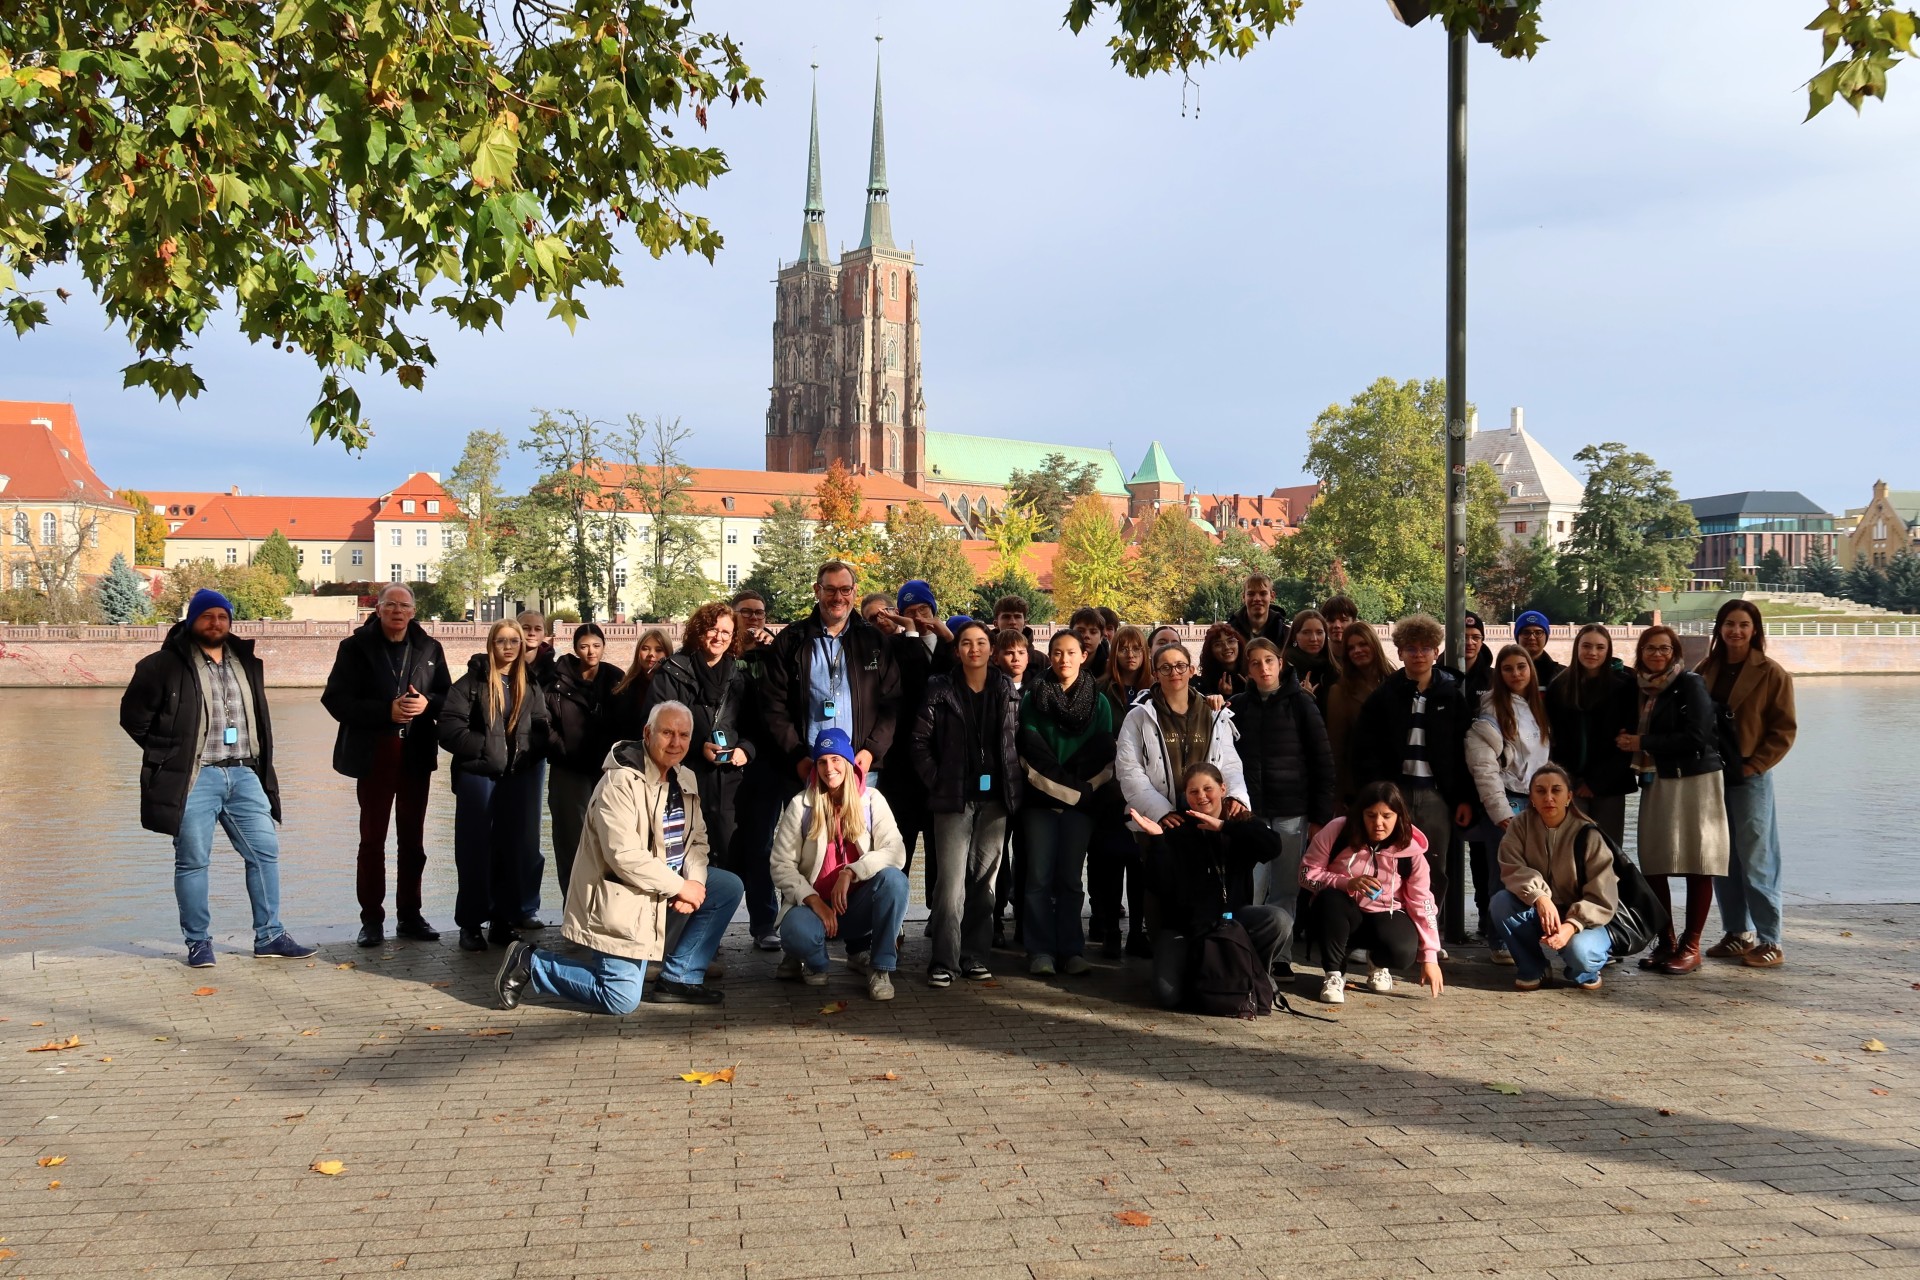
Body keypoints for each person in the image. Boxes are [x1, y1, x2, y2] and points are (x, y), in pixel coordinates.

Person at [493, 701, 743, 1012]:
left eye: (683, 735)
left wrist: (695, 883)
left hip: (660, 888)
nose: (675, 742)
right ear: (647, 733)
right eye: (667, 733)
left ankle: (679, 977)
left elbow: (696, 841)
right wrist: (680, 887)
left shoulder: (685, 778)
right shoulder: (620, 783)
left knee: (726, 887)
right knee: (620, 998)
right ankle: (530, 961)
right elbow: (624, 856)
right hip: (621, 895)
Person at [119, 589, 316, 967]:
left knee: (265, 852)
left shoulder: (246, 661)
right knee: (193, 860)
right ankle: (198, 943)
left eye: (222, 616)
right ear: (192, 620)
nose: (216, 623)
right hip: (196, 777)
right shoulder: (162, 665)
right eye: (207, 616)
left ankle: (270, 936)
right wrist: (170, 754)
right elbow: (133, 718)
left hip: (244, 773)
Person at [321, 583, 451, 948]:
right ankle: (372, 920)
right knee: (372, 839)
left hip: (416, 754)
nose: (397, 611)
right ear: (377, 610)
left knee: (413, 839)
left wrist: (428, 704)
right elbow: (335, 699)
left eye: (404, 606)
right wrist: (384, 712)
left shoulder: (430, 648)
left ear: (413, 612)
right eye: (390, 605)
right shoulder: (354, 648)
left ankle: (410, 915)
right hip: (374, 752)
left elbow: (449, 696)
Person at [1116, 640, 1252, 954]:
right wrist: (1161, 811)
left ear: (1192, 670)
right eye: (1165, 667)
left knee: (1202, 881)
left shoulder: (1213, 712)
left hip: (1203, 814)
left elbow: (1229, 764)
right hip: (1160, 818)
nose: (1174, 672)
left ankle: (1205, 948)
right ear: (1155, 673)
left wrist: (1237, 797)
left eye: (1180, 666)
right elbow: (1129, 770)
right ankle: (1164, 948)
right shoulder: (1139, 716)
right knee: (1159, 881)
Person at [1132, 763, 1292, 1010]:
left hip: (1232, 920)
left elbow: (1273, 847)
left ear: (1223, 789)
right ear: (1186, 796)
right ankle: (1206, 974)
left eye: (1208, 789)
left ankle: (1253, 970)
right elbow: (1158, 884)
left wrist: (1224, 827)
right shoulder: (1177, 827)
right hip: (1187, 927)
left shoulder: (1239, 822)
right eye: (1193, 792)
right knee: (1167, 996)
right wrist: (1158, 841)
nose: (1202, 797)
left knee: (1279, 919)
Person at [1617, 624, 1728, 975]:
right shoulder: (1639, 688)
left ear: (1675, 653)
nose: (1657, 654)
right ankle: (1666, 941)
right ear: (1640, 653)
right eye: (1650, 648)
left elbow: (1698, 736)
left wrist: (1642, 743)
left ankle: (1690, 947)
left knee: (1698, 861)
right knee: (1654, 862)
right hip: (1658, 779)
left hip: (1696, 780)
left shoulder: (1690, 683)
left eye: (1664, 648)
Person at [915, 619, 1022, 985]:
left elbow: (1014, 741)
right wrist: (938, 780)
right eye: (966, 643)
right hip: (953, 798)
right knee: (950, 883)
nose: (974, 649)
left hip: (994, 800)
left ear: (991, 649)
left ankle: (975, 955)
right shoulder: (940, 688)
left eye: (980, 642)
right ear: (957, 649)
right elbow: (919, 742)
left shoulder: (1005, 688)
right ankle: (944, 961)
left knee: (985, 882)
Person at [769, 728, 910, 1000]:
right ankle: (815, 962)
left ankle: (879, 968)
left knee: (896, 881)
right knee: (795, 932)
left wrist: (851, 872)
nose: (829, 768)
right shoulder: (801, 805)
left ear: (847, 763)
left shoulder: (871, 800)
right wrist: (813, 900)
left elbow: (896, 851)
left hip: (857, 908)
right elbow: (780, 864)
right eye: (822, 761)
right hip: (815, 909)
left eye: (835, 759)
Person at [1354, 613, 1472, 938]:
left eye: (1425, 648)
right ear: (1400, 652)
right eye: (1411, 648)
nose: (1418, 654)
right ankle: (1388, 933)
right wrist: (1377, 792)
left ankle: (1429, 934)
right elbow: (1366, 747)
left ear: (1436, 652)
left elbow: (1464, 752)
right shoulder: (1385, 695)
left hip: (1436, 795)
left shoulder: (1451, 695)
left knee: (1434, 867)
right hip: (1396, 795)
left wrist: (1463, 798)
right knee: (1386, 863)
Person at [439, 618, 552, 952]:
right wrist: (487, 749)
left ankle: (503, 921)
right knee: (474, 850)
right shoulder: (471, 683)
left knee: (512, 849)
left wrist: (531, 750)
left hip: (517, 775)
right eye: (501, 640)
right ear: (491, 644)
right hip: (478, 776)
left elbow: (541, 723)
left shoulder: (529, 683)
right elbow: (449, 727)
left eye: (514, 641)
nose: (508, 647)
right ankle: (471, 924)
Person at [1696, 600, 1798, 969]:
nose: (1735, 631)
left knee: (1757, 857)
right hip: (1712, 776)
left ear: (1755, 630)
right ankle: (1738, 932)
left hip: (1751, 775)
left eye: (1743, 624)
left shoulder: (1772, 673)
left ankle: (1771, 939)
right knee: (1723, 857)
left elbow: (1784, 729)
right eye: (1729, 624)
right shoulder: (1705, 669)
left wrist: (1757, 764)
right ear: (1719, 628)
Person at [1018, 628, 1117, 977]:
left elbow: (1103, 756)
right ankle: (1040, 950)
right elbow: (1030, 755)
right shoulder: (1033, 698)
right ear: (1049, 655)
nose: (1064, 659)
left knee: (1072, 880)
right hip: (1039, 801)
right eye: (1058, 652)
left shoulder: (1099, 702)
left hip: (1082, 804)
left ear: (1083, 656)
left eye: (1072, 652)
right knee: (1038, 878)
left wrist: (1079, 793)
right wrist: (1069, 791)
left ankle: (1072, 950)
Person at [761, 560, 901, 800]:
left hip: (859, 766)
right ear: (817, 590)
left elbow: (892, 702)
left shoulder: (874, 641)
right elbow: (773, 703)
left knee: (858, 827)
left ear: (854, 591)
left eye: (845, 589)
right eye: (830, 590)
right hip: (808, 766)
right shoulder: (792, 640)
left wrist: (872, 751)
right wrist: (797, 756)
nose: (838, 597)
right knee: (808, 826)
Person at [1299, 782, 1444, 1004]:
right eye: (1371, 815)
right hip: (1340, 913)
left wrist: (1430, 956)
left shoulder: (1410, 848)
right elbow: (1305, 874)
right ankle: (1334, 974)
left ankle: (1377, 963)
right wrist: (1346, 883)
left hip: (1386, 913)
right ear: (1360, 814)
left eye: (1387, 816)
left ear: (1399, 817)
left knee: (1403, 953)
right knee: (1330, 900)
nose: (1378, 823)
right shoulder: (1338, 830)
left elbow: (1422, 901)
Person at [642, 602, 751, 887]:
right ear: (699, 631)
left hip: (728, 782)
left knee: (730, 860)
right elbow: (656, 727)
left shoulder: (738, 675)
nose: (719, 637)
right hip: (683, 779)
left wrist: (746, 750)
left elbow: (755, 725)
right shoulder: (673, 671)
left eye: (726, 632)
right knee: (682, 857)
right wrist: (697, 747)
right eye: (713, 630)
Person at [1229, 637, 1335, 918]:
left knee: (1286, 888)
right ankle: (1249, 941)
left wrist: (1319, 817)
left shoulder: (1302, 704)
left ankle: (1282, 945)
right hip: (1253, 812)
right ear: (1248, 670)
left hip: (1292, 811)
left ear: (1280, 663)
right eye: (1255, 663)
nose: (1263, 668)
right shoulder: (1238, 706)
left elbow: (1322, 763)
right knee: (1252, 885)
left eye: (1268, 661)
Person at [1491, 764, 1619, 991]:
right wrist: (1540, 897)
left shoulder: (1589, 834)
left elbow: (1603, 895)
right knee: (1501, 902)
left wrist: (1572, 925)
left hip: (1586, 921)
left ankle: (1584, 971)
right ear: (1531, 798)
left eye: (1556, 790)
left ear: (1569, 797)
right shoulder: (1519, 825)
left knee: (1581, 953)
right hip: (1539, 911)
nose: (1548, 797)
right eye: (1540, 791)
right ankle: (1533, 967)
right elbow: (1512, 868)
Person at [1463, 645, 1554, 960]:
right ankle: (1499, 939)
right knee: (1502, 874)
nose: (1516, 674)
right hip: (1508, 802)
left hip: (1536, 802)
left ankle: (1527, 935)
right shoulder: (1491, 712)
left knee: (1534, 873)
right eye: (1508, 668)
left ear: (1531, 670)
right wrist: (1500, 811)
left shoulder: (1535, 707)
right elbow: (1483, 768)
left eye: (1521, 667)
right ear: (1499, 674)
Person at [878, 580, 954, 887]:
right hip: (903, 764)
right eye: (910, 612)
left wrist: (947, 638)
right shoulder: (894, 647)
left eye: (924, 609)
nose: (919, 617)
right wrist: (909, 634)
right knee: (900, 845)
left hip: (942, 762)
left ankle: (939, 909)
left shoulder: (950, 644)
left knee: (941, 850)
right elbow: (912, 689)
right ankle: (894, 909)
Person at [545, 622, 625, 900]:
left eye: (596, 646)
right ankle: (573, 904)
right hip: (568, 769)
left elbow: (625, 723)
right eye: (584, 646)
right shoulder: (556, 679)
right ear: (575, 649)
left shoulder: (616, 679)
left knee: (610, 839)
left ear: (604, 647)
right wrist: (563, 749)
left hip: (607, 771)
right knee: (571, 841)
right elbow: (543, 721)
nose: (591, 652)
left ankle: (604, 905)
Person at [1545, 623, 1639, 849]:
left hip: (1610, 783)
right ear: (1577, 648)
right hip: (1571, 782)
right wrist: (1567, 780)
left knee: (1608, 851)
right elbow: (1555, 740)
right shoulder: (1559, 686)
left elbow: (1627, 742)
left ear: (1608, 650)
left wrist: (1596, 782)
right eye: (1586, 646)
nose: (1592, 653)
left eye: (1600, 647)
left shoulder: (1624, 686)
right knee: (1572, 849)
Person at [1091, 623, 1153, 955]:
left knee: (1141, 865)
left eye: (1137, 648)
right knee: (1110, 862)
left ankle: (1138, 932)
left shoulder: (1154, 690)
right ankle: (1111, 931)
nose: (1130, 654)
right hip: (1111, 792)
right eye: (1124, 648)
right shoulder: (1101, 689)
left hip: (1146, 791)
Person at [729, 589, 785, 950]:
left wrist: (772, 652)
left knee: (762, 844)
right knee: (723, 845)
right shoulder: (723, 654)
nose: (754, 619)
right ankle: (711, 922)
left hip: (766, 761)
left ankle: (764, 923)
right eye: (746, 612)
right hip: (725, 762)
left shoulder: (773, 654)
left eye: (759, 613)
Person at [1323, 620, 1393, 809]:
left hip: (1395, 784)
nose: (1357, 651)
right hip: (1359, 787)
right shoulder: (1340, 692)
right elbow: (1336, 746)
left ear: (1374, 644)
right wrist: (1337, 797)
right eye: (1351, 648)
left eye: (1363, 644)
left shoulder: (1396, 681)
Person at [608, 627, 672, 742]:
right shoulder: (624, 689)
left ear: (668, 653)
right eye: (645, 649)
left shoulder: (675, 687)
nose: (651, 654)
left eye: (658, 650)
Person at [1282, 607, 1339, 711]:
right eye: (1306, 632)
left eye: (1319, 632)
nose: (1314, 639)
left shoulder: (1334, 670)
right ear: (1294, 636)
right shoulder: (1283, 670)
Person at [993, 594, 1048, 677]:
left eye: (1017, 617)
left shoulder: (1041, 660)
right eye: (1006, 617)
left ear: (1025, 623)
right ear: (996, 623)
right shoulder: (985, 659)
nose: (1012, 622)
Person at [1229, 573, 1289, 649]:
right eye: (1251, 594)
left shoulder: (1286, 635)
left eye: (1263, 593)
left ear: (1272, 596)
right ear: (1243, 597)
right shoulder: (1230, 633)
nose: (1257, 599)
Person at [1199, 622, 1248, 701]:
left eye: (1231, 641)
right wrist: (1224, 696)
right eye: (1218, 644)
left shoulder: (1251, 672)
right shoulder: (1207, 682)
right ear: (1210, 651)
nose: (1226, 647)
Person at [1513, 611, 1564, 687]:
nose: (1532, 637)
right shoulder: (1503, 673)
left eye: (1538, 633)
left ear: (1546, 636)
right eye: (1526, 633)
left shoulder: (1563, 674)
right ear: (1517, 637)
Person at [1068, 606, 1110, 681]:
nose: (1086, 636)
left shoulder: (1110, 670)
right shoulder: (1060, 663)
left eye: (1093, 632)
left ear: (1101, 638)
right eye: (1080, 631)